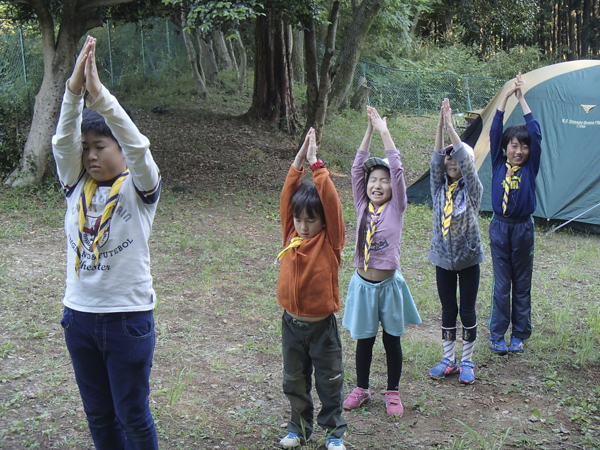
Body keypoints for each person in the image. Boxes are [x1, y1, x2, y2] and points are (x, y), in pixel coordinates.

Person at [52, 36, 161, 450]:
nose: (91, 157)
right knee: (98, 416)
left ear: (119, 149)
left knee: (132, 415)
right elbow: (62, 142)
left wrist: (101, 98)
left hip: (126, 321)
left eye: (100, 147)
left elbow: (138, 148)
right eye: (87, 150)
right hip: (78, 318)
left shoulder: (140, 189)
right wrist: (73, 92)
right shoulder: (75, 186)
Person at [342, 107, 421, 417]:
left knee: (391, 341)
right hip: (362, 285)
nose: (377, 184)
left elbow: (398, 170)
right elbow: (355, 169)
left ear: (392, 187)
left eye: (383, 181)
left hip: (388, 286)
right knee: (364, 340)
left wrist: (385, 131)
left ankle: (393, 392)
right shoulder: (362, 204)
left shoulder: (397, 207)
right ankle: (361, 388)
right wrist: (369, 131)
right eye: (373, 179)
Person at [275, 128, 347, 450]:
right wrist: (298, 161)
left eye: (311, 220)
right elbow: (287, 194)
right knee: (294, 381)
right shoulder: (291, 235)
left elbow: (331, 204)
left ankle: (334, 434)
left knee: (329, 382)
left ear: (323, 222)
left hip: (322, 330)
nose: (303, 226)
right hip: (292, 326)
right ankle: (299, 429)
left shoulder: (331, 242)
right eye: (299, 220)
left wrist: (316, 164)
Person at [427, 98, 485, 384]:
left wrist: (451, 128)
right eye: (448, 158)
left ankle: (467, 360)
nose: (451, 161)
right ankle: (448, 358)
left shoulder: (473, 190)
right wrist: (439, 127)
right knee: (448, 309)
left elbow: (464, 160)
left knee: (467, 309)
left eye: (457, 158)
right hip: (443, 260)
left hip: (469, 259)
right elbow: (436, 160)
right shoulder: (438, 188)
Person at [487, 73, 542, 355]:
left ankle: (519, 334)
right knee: (502, 285)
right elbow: (495, 132)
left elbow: (536, 133)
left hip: (522, 229)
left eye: (523, 146)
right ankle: (497, 334)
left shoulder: (530, 168)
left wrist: (522, 99)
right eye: (514, 145)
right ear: (506, 149)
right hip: (500, 227)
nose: (518, 150)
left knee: (522, 284)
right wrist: (505, 99)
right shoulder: (498, 163)